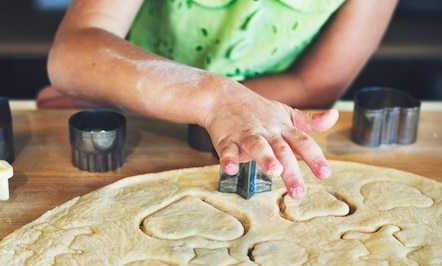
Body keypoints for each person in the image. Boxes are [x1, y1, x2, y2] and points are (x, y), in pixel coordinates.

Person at [40, 0, 398, 199]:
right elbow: (73, 50)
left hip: (260, 129)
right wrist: (212, 99)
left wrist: (234, 106)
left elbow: (313, 85)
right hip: (144, 122)